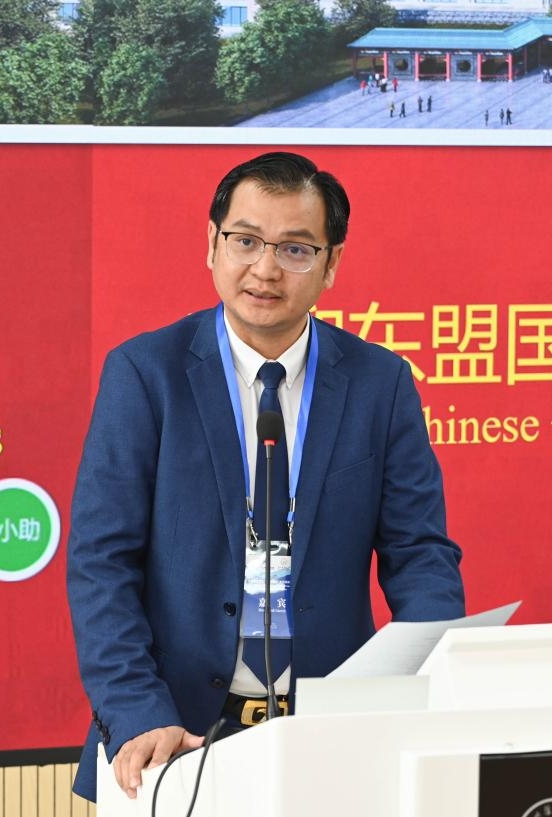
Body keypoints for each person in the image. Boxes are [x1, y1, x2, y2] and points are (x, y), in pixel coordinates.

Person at [66, 152, 465, 803]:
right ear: (212, 244)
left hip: (335, 737)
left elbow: (420, 554)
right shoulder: (146, 374)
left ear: (331, 263)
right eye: (245, 241)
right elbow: (101, 561)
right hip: (174, 736)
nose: (265, 269)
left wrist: (424, 684)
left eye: (296, 249)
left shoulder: (379, 382)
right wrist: (138, 710)